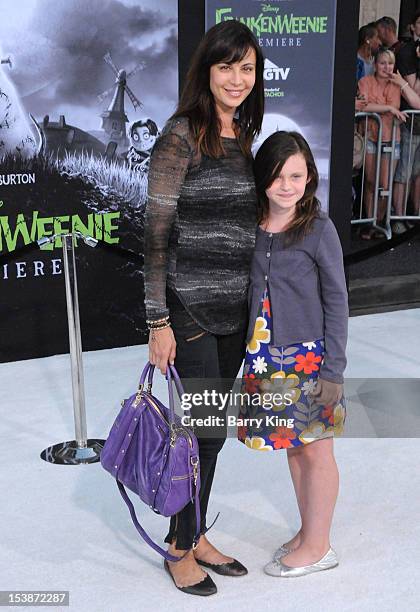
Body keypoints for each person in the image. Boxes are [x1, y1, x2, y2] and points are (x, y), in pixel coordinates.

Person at [143, 20, 264, 596]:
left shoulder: (245, 134)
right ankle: (177, 546)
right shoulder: (180, 136)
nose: (237, 79)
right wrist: (157, 321)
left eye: (247, 68)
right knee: (197, 432)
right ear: (207, 71)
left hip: (234, 310)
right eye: (227, 67)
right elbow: (156, 237)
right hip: (188, 308)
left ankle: (194, 535)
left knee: (211, 433)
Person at [238, 131, 348, 577]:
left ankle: (320, 546)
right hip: (265, 357)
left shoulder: (319, 229)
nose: (287, 185)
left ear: (309, 178)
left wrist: (334, 370)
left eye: (297, 175)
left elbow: (338, 301)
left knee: (317, 450)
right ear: (262, 177)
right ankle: (308, 531)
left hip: (308, 360)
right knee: (293, 448)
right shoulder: (253, 225)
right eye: (278, 175)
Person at [358, 49, 407, 239]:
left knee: (385, 185)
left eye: (390, 63)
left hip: (392, 138)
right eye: (382, 63)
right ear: (375, 65)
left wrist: (386, 108)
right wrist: (386, 108)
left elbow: (394, 106)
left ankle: (380, 222)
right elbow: (364, 106)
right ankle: (368, 223)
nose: (386, 67)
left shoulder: (396, 85)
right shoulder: (365, 82)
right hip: (371, 136)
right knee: (371, 182)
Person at [392, 10, 420, 230]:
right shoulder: (407, 52)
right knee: (404, 171)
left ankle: (413, 216)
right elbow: (415, 97)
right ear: (412, 26)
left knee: (416, 173)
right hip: (409, 123)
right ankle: (398, 217)